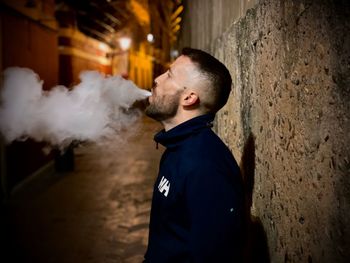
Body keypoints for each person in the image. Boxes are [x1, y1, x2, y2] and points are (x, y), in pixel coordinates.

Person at [143, 48, 245, 263]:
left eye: (169, 75)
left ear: (189, 97)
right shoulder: (178, 147)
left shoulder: (205, 167)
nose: (157, 79)